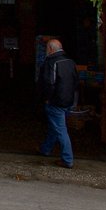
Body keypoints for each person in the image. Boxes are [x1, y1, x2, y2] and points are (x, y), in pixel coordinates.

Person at [36, 38, 77, 168]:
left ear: (51, 49)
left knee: (60, 130)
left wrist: (46, 98)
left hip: (56, 102)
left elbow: (48, 84)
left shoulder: (51, 62)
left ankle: (67, 159)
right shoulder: (70, 62)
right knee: (56, 127)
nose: (46, 51)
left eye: (47, 48)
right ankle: (45, 149)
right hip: (68, 101)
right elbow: (76, 82)